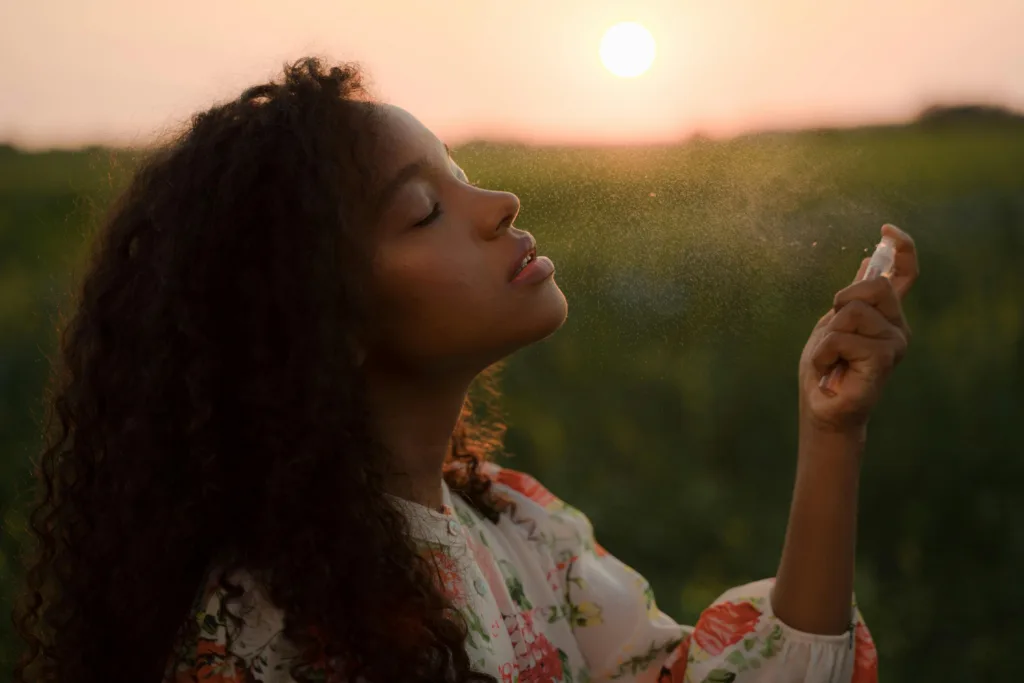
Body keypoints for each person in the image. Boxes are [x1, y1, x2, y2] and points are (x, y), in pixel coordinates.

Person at [11, 56, 917, 683]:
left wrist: (832, 432)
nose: (499, 203)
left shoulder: (517, 526)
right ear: (320, 323)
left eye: (463, 172)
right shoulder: (263, 631)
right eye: (422, 210)